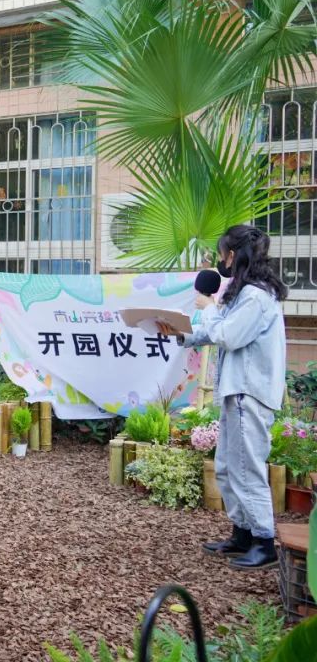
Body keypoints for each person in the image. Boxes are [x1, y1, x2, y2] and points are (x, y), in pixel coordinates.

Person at [159, 225, 287, 570]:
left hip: (250, 392)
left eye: (222, 253)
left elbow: (227, 336)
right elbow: (215, 331)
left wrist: (209, 305)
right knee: (230, 467)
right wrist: (180, 332)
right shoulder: (245, 294)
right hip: (237, 391)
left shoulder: (256, 297)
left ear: (235, 255)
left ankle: (264, 542)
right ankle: (242, 534)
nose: (219, 260)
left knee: (247, 468)